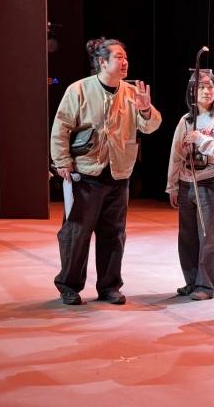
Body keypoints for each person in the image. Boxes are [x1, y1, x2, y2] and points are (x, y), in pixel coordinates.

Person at [51, 37, 162, 306]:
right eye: (119, 57)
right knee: (77, 233)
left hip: (118, 175)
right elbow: (61, 127)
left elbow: (151, 127)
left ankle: (109, 286)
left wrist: (146, 110)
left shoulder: (132, 93)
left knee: (114, 234)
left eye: (126, 58)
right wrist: (62, 161)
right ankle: (69, 285)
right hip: (85, 175)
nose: (125, 62)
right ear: (102, 61)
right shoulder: (79, 89)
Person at [166, 71, 214, 300]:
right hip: (186, 184)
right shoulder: (185, 121)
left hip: (211, 183)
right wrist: (172, 186)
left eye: (210, 87)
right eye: (201, 87)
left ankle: (209, 286)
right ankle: (192, 281)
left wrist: (202, 140)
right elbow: (176, 154)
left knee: (210, 237)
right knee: (187, 237)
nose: (206, 91)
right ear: (192, 92)